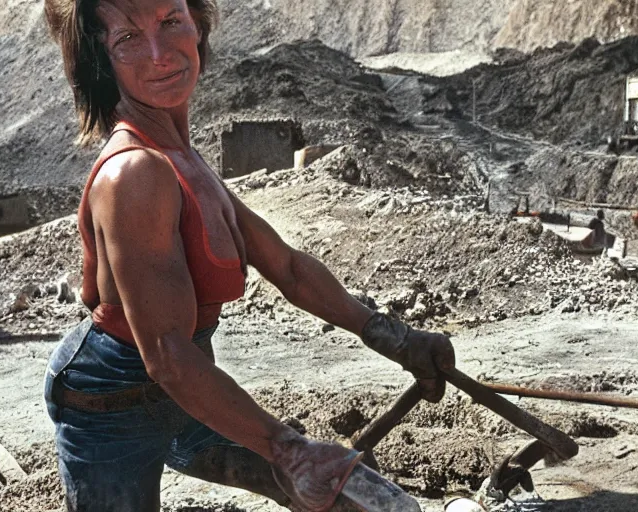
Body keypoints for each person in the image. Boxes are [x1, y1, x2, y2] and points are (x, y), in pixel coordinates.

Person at [42, 0, 456, 510]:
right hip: (111, 406)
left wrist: (396, 338)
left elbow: (289, 268)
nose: (159, 53)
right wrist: (291, 452)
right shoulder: (135, 175)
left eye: (171, 21)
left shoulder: (179, 156)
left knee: (363, 501)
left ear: (198, 25)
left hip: (193, 388)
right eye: (126, 38)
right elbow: (167, 357)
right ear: (102, 61)